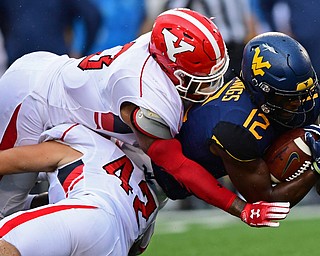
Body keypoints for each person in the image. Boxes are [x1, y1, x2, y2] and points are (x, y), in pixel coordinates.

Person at [0, 8, 289, 226]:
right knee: (6, 208)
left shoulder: (159, 56)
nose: (210, 87)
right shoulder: (146, 96)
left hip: (74, 111)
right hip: (31, 101)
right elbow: (179, 166)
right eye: (201, 79)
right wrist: (239, 207)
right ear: (172, 69)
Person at [170, 32, 320, 207]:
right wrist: (315, 170)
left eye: (303, 93)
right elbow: (265, 201)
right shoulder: (235, 127)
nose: (298, 103)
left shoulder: (304, 98)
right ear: (261, 91)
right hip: (151, 175)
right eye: (288, 98)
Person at [0, 123, 163, 256]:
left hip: (87, 215)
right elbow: (137, 248)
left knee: (7, 241)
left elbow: (6, 161)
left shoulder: (86, 139)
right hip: (115, 245)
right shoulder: (149, 196)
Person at [0, 0, 101, 66]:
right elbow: (93, 16)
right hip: (54, 64)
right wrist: (83, 55)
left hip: (18, 63)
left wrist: (10, 40)